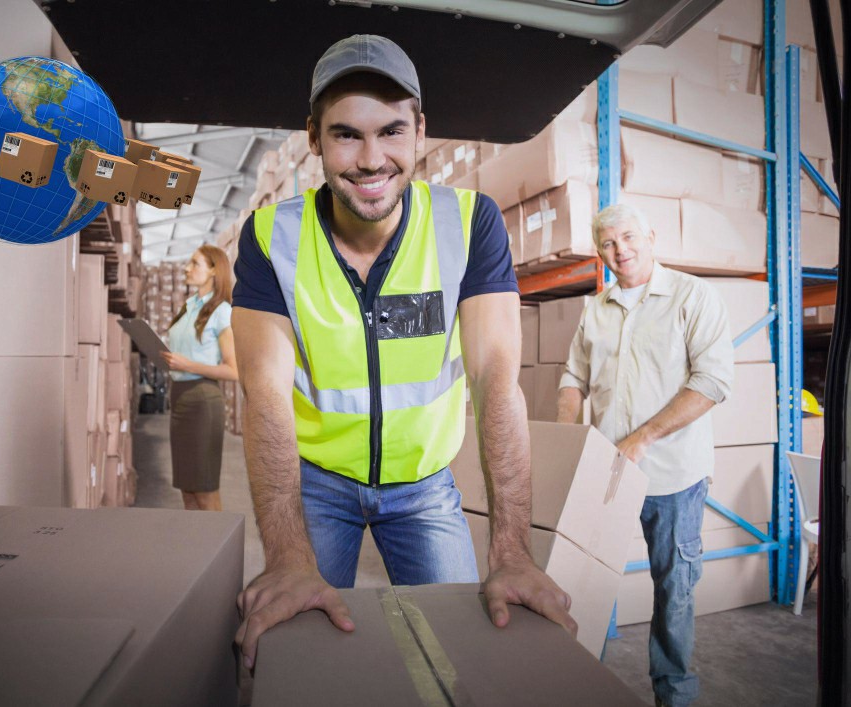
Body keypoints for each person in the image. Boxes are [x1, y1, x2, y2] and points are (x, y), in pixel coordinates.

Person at [230, 34, 576, 669]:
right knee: (300, 658)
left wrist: (512, 552)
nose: (370, 160)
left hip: (424, 489)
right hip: (317, 486)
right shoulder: (271, 237)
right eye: (345, 135)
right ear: (313, 138)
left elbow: (498, 381)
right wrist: (286, 558)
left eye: (391, 132)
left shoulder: (469, 223)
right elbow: (265, 393)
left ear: (420, 132)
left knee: (463, 652)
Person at [556, 203, 734, 707]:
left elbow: (714, 381)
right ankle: (577, 685)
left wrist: (644, 437)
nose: (621, 250)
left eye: (630, 237)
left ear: (652, 237)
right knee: (583, 583)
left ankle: (673, 694)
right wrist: (570, 434)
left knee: (674, 591)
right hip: (606, 475)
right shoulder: (597, 309)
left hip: (674, 476)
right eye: (609, 243)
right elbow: (574, 379)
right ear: (600, 250)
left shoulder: (692, 296)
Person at [160, 245, 238, 512]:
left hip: (203, 401)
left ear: (214, 270)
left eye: (195, 264)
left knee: (204, 490)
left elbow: (233, 370)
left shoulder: (222, 311)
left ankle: (219, 552)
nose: (186, 268)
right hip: (179, 397)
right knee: (187, 488)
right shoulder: (188, 307)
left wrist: (187, 363)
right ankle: (198, 549)